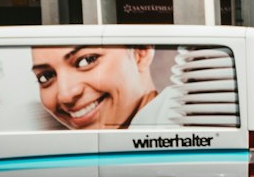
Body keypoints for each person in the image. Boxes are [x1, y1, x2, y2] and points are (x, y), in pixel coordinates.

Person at [28, 41, 177, 131]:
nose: (65, 95)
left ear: (140, 52)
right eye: (46, 76)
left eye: (86, 61)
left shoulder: (180, 125)